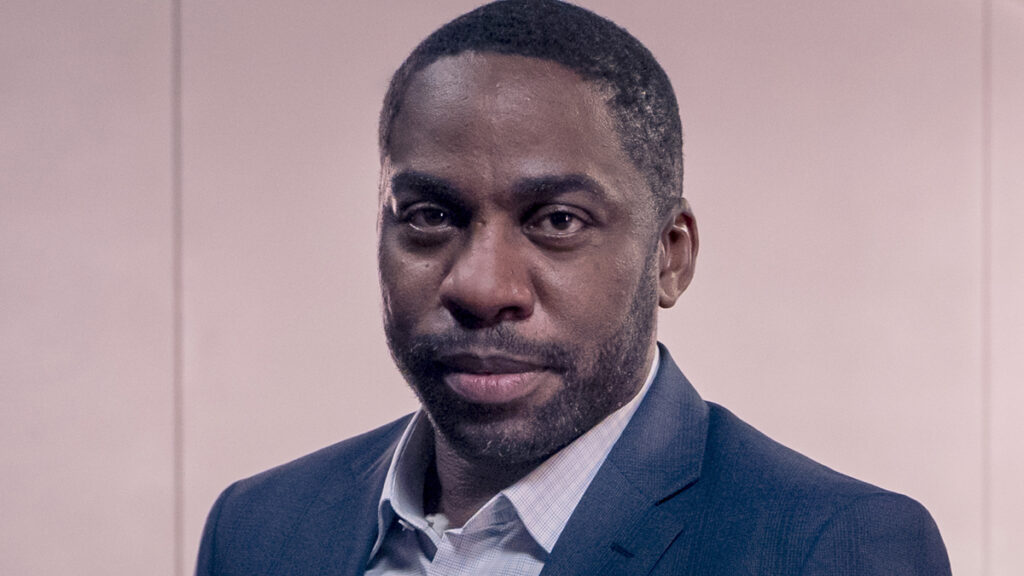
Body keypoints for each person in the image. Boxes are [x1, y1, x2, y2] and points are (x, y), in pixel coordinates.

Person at [196, 1, 952, 574]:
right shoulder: (257, 531)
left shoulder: (836, 549)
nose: (482, 287)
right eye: (430, 216)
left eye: (557, 221)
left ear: (670, 256)